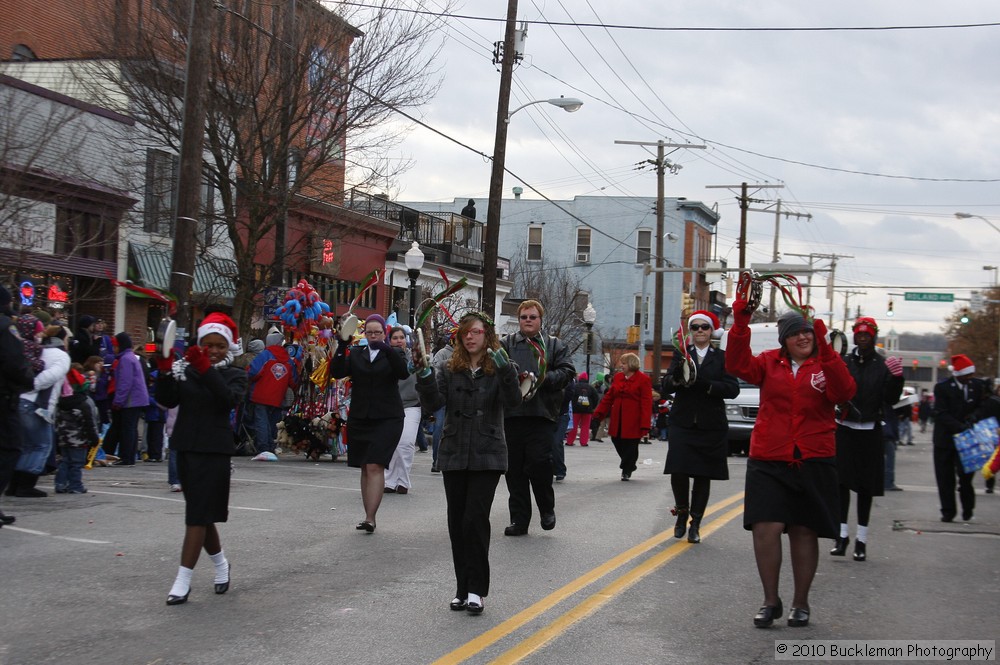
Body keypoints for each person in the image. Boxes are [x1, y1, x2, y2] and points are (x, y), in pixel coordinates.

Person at [725, 306, 855, 629]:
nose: (803, 336)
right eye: (796, 332)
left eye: (807, 331)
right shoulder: (769, 361)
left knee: (803, 529)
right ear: (784, 340)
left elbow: (844, 392)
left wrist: (827, 352)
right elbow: (736, 364)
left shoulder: (825, 364)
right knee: (765, 528)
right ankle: (771, 601)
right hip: (769, 457)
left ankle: (801, 602)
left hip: (813, 457)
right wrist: (741, 324)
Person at [414, 311, 520, 615]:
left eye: (476, 332)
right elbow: (433, 403)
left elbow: (514, 402)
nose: (470, 337)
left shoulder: (501, 366)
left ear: (488, 335)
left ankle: (477, 589)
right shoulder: (450, 368)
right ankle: (461, 588)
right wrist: (423, 377)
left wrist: (506, 373)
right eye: (466, 333)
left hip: (488, 452)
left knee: (475, 519)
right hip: (455, 450)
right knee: (457, 522)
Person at [156, 311, 247, 605]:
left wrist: (206, 368)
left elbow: (227, 400)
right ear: (200, 343)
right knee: (202, 515)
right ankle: (221, 564)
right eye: (208, 345)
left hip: (215, 451)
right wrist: (166, 368)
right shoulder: (187, 367)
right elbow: (168, 399)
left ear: (229, 345)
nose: (214, 350)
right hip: (185, 447)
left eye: (220, 345)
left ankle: (183, 579)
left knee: (196, 516)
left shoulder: (236, 373)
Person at [659, 310, 740, 543]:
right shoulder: (681, 354)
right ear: (691, 332)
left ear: (712, 330)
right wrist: (677, 379)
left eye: (704, 327)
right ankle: (681, 513)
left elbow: (732, 389)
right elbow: (667, 385)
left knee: (703, 476)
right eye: (695, 327)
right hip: (682, 422)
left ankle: (696, 522)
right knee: (679, 470)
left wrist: (707, 385)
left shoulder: (722, 357)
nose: (700, 331)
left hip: (710, 424)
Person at [830, 317, 904, 562]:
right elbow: (834, 389)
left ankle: (861, 539)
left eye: (867, 334)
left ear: (874, 336)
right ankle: (841, 536)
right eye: (859, 334)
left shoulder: (882, 366)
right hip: (845, 428)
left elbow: (891, 399)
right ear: (854, 336)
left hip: (870, 430)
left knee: (865, 487)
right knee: (841, 484)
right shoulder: (845, 362)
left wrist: (897, 379)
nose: (863, 338)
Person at [500, 300, 575, 536]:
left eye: (532, 317)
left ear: (540, 319)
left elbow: (567, 372)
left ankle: (546, 508)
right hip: (512, 415)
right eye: (524, 317)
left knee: (539, 464)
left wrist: (541, 379)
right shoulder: (506, 344)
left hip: (542, 414)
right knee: (514, 470)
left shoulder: (553, 345)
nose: (528, 320)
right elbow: (497, 369)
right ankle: (519, 520)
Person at [330, 314, 409, 532]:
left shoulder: (395, 353)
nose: (373, 336)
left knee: (375, 464)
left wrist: (387, 349)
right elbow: (336, 372)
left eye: (378, 332)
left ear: (385, 334)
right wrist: (342, 345)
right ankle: (367, 516)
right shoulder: (357, 354)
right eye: (370, 332)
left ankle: (370, 517)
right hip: (361, 417)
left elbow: (403, 373)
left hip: (388, 418)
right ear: (364, 334)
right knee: (365, 466)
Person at [7, 324, 71, 498]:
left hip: (20, 401)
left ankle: (14, 483)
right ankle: (26, 484)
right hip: (37, 405)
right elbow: (52, 375)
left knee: (24, 445)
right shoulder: (62, 356)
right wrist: (32, 385)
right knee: (41, 445)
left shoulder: (36, 351)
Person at [932, 354, 988, 522]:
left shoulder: (977, 386)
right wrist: (958, 426)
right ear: (958, 374)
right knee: (945, 478)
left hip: (968, 439)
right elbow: (941, 413)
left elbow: (983, 406)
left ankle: (968, 508)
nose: (970, 378)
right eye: (967, 375)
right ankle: (948, 511)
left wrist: (974, 417)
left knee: (966, 477)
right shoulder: (942, 388)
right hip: (945, 440)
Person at [0, 285, 36, 524]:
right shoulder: (5, 327)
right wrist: (28, 377)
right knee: (10, 448)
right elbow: (14, 362)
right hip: (3, 399)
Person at [592, 353, 652, 481]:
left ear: (631, 364)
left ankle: (626, 468)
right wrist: (598, 413)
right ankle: (629, 464)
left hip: (633, 418)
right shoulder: (618, 377)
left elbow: (646, 402)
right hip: (618, 417)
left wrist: (645, 424)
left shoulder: (643, 379)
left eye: (624, 363)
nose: (621, 366)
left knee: (631, 444)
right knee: (616, 440)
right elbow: (609, 397)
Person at [246, 329, 299, 460]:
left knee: (261, 422)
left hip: (261, 394)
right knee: (272, 423)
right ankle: (270, 447)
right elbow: (294, 381)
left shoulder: (265, 355)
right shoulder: (288, 359)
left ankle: (263, 448)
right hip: (278, 397)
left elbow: (253, 372)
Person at [384, 326, 420, 495]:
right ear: (389, 340)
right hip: (390, 406)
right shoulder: (383, 358)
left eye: (401, 337)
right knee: (390, 443)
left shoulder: (414, 357)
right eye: (395, 337)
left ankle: (403, 480)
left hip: (412, 405)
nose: (399, 340)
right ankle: (389, 481)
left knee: (405, 443)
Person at [54, 368, 100, 493]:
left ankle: (60, 484)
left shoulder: (60, 403)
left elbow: (56, 422)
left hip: (63, 439)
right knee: (76, 463)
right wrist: (94, 439)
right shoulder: (83, 404)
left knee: (64, 461)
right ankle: (75, 485)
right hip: (79, 440)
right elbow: (89, 424)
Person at [109, 332, 149, 466]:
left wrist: (118, 401)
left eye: (115, 346)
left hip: (131, 400)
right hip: (137, 399)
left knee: (127, 429)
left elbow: (125, 382)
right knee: (131, 428)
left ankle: (126, 456)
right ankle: (129, 456)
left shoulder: (125, 359)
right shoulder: (130, 357)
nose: (114, 349)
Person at [566, 372, 599, 447]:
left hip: (576, 409)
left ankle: (570, 441)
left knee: (574, 426)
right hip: (587, 410)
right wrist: (592, 407)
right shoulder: (590, 388)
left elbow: (570, 395)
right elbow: (596, 398)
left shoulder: (575, 386)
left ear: (580, 378)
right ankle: (583, 442)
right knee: (585, 426)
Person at [551, 387, 572, 482]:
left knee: (557, 441)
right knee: (547, 442)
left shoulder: (566, 377)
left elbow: (568, 395)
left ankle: (560, 470)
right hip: (548, 414)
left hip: (562, 415)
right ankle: (550, 469)